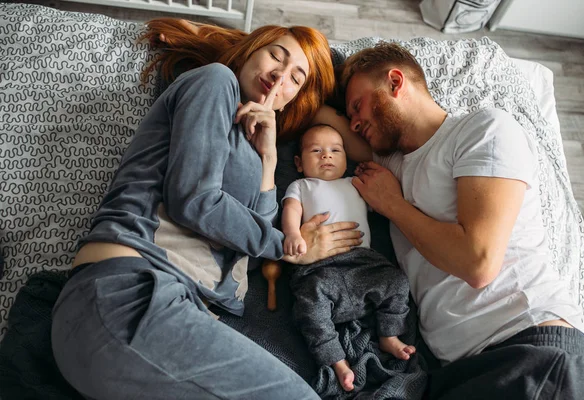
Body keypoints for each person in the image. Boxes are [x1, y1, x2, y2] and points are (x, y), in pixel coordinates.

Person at [51, 18, 363, 400]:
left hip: (175, 312)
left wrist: (268, 158)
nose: (281, 76)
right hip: (131, 294)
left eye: (296, 79)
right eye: (275, 56)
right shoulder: (216, 81)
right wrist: (287, 245)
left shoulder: (256, 143)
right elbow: (193, 200)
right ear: (252, 50)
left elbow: (249, 238)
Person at [315, 41, 584, 399]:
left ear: (395, 82)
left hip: (529, 350)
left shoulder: (484, 130)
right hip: (459, 368)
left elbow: (477, 262)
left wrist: (394, 206)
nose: (355, 121)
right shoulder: (395, 165)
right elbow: (327, 123)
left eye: (358, 106)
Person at [281, 124, 415, 392]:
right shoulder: (302, 186)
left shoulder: (354, 185)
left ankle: (389, 334)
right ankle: (337, 360)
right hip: (321, 269)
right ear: (298, 162)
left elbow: (382, 201)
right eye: (316, 151)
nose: (326, 156)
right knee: (310, 304)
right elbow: (291, 210)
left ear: (346, 159)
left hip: (365, 264)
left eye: (335, 150)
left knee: (397, 280)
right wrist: (293, 234)